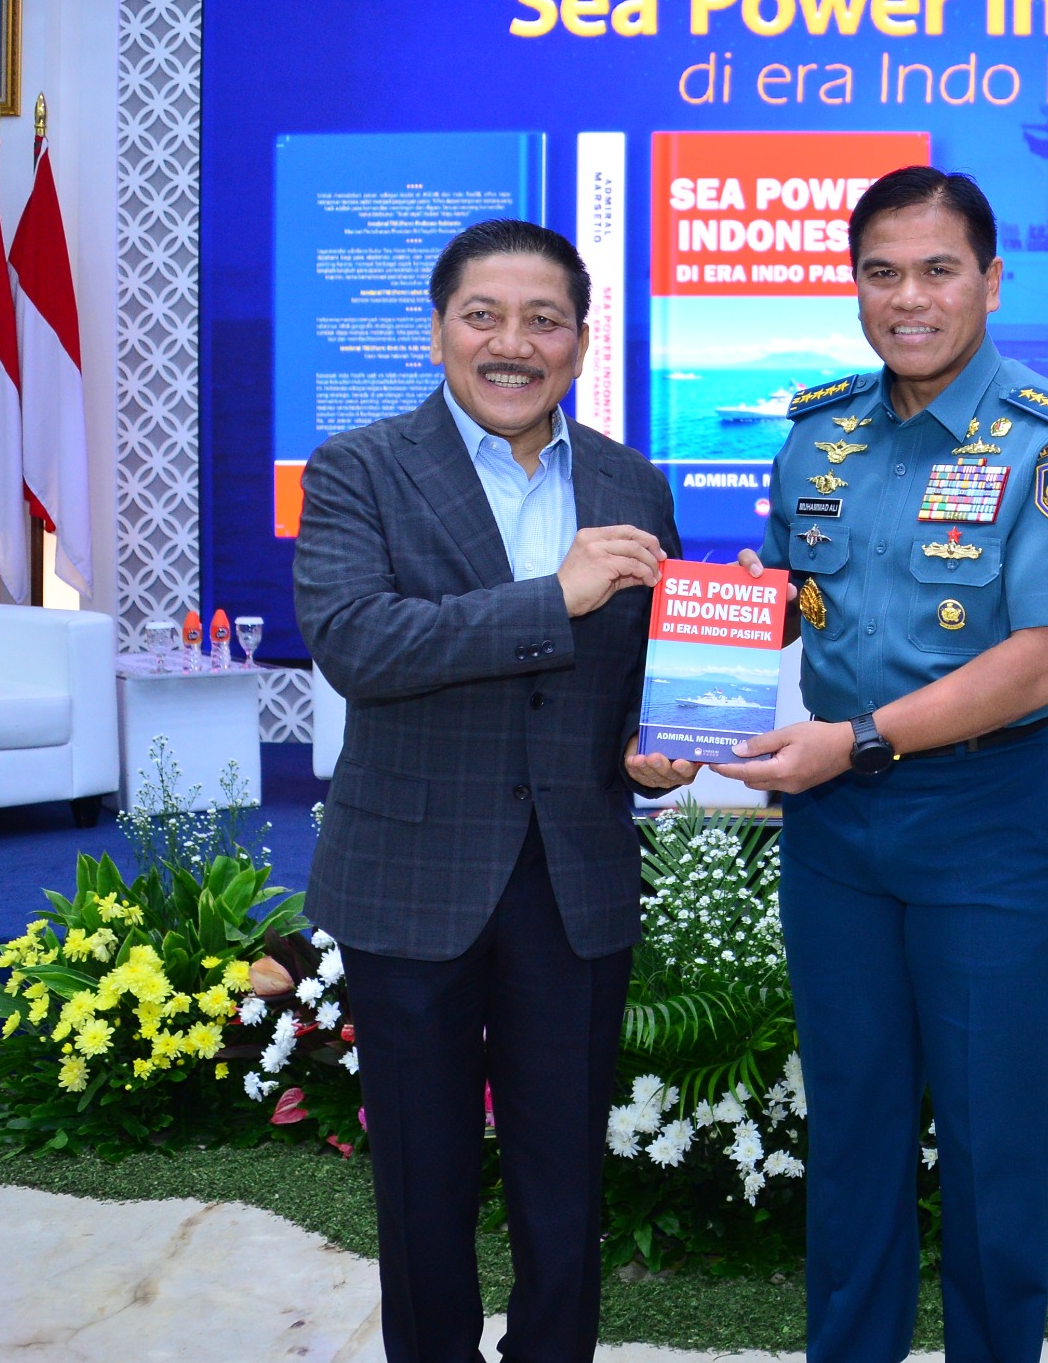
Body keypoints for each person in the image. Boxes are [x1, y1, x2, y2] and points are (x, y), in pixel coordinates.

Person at [709, 166, 1048, 1363]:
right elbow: (791, 600)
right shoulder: (817, 432)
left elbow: (1044, 660)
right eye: (881, 272)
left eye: (938, 270)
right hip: (836, 825)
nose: (908, 298)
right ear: (854, 285)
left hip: (987, 813)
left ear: (989, 280)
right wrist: (697, 656)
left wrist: (860, 738)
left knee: (993, 1129)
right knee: (851, 1118)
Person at [293, 218, 698, 1363]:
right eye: (483, 315)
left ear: (581, 342)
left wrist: (659, 743)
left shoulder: (630, 481)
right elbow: (360, 641)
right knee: (419, 1176)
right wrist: (552, 596)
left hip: (575, 877)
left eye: (543, 320)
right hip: (409, 874)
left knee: (563, 1174)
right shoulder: (359, 468)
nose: (512, 342)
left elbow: (643, 673)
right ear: (437, 331)